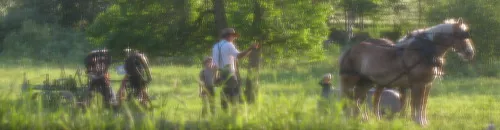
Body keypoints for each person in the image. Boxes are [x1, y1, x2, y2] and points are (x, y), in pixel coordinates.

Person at [212, 28, 259, 111]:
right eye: (233, 36)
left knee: (224, 95)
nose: (234, 38)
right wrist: (250, 48)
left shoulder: (216, 46)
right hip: (229, 73)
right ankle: (234, 113)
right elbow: (239, 56)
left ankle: (224, 114)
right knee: (234, 94)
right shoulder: (229, 45)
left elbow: (215, 65)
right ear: (229, 36)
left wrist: (215, 77)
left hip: (221, 73)